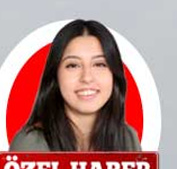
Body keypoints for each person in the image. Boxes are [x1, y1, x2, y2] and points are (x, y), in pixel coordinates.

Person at [9, 20, 140, 152]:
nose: (87, 78)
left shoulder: (128, 139)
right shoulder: (30, 143)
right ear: (55, 75)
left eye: (100, 64)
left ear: (114, 74)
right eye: (73, 65)